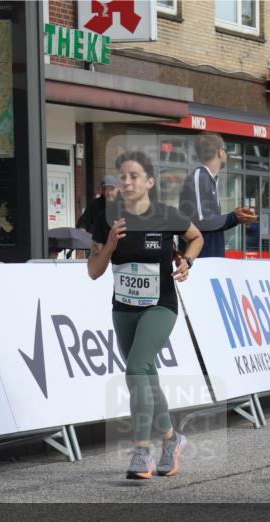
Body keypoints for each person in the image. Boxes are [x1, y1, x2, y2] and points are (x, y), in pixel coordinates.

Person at [88, 151, 204, 480]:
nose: (126, 182)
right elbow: (94, 271)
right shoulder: (108, 218)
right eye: (122, 176)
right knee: (146, 376)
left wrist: (188, 261)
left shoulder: (167, 215)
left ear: (149, 182)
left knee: (137, 367)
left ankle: (142, 450)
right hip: (123, 308)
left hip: (160, 305)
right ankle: (171, 439)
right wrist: (109, 246)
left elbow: (196, 237)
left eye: (134, 176)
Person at [178, 133, 256, 257]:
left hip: (211, 262)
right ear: (219, 152)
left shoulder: (209, 179)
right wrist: (234, 217)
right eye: (225, 150)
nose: (226, 154)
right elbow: (202, 221)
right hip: (200, 263)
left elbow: (210, 221)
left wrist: (236, 217)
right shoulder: (199, 177)